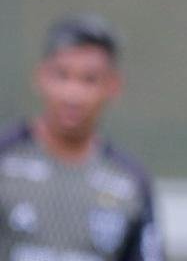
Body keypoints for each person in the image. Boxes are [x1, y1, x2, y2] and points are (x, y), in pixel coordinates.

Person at [0, 13, 164, 261]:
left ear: (113, 86)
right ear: (41, 77)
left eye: (89, 80)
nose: (73, 94)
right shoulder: (6, 157)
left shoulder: (129, 181)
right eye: (62, 75)